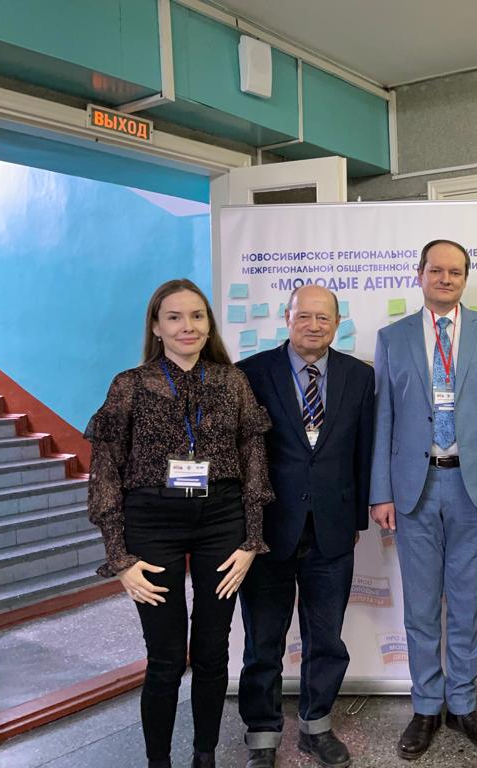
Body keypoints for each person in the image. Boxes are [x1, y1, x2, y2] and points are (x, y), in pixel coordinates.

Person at [85, 279, 273, 768]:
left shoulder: (232, 382)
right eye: (174, 317)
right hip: (151, 524)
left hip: (222, 520)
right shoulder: (129, 385)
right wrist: (119, 557)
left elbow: (254, 459)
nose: (187, 326)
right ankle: (159, 761)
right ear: (156, 326)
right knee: (166, 657)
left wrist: (251, 539)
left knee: (212, 652)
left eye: (196, 316)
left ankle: (204, 755)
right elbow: (105, 470)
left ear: (208, 324)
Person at [369, 239, 477, 760]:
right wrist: (381, 492)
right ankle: (425, 706)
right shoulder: (392, 338)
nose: (445, 278)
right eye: (436, 270)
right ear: (420, 274)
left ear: (464, 278)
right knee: (419, 606)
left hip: (473, 486)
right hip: (414, 488)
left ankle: (462, 703)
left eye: (455, 271)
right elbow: (383, 419)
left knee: (465, 601)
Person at [236, 285, 374, 768]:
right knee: (263, 642)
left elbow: (363, 450)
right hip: (268, 530)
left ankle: (316, 727)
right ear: (287, 317)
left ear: (337, 322)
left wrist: (357, 518)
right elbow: (239, 454)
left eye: (324, 318)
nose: (314, 325)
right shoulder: (251, 373)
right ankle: (262, 735)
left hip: (333, 529)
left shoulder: (359, 376)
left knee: (326, 639)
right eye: (304, 316)